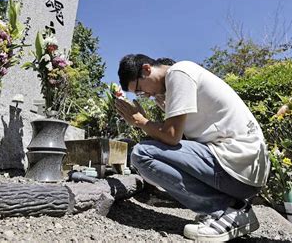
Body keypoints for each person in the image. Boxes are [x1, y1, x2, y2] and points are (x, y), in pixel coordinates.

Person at [115, 54, 270, 241]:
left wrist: (141, 121)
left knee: (142, 154)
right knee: (149, 150)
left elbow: (171, 138)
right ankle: (228, 208)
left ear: (147, 69)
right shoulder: (180, 82)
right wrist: (160, 114)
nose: (145, 95)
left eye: (140, 90)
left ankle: (229, 210)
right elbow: (182, 143)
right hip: (244, 170)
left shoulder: (179, 73)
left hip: (237, 165)